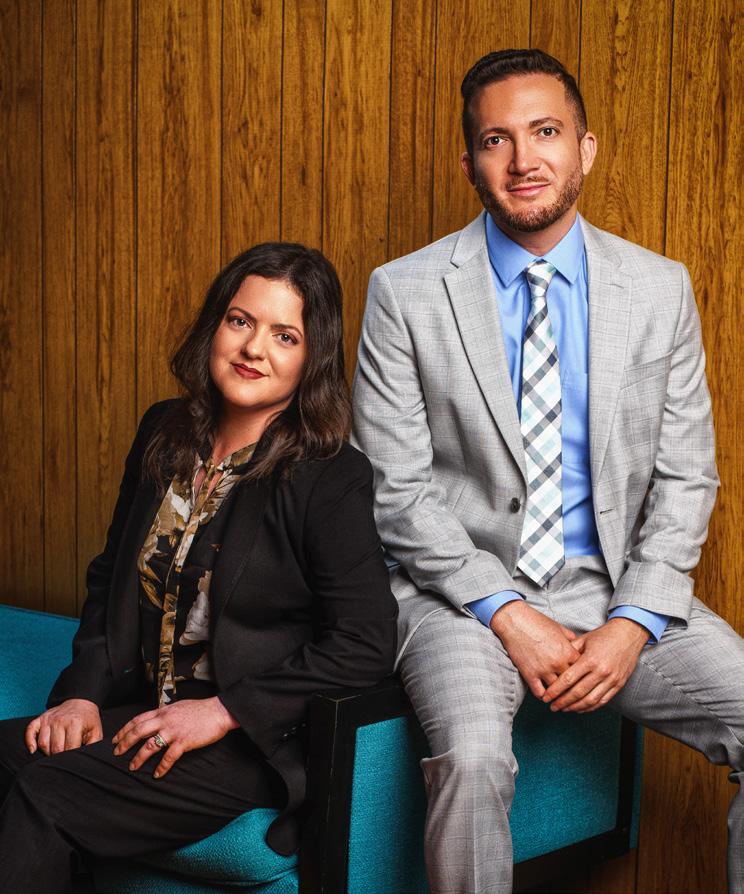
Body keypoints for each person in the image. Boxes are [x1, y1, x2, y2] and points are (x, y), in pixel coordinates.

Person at [352, 48, 744, 894]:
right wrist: (506, 611)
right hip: (457, 594)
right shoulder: (403, 293)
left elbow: (687, 479)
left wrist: (633, 621)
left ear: (585, 149)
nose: (523, 159)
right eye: (497, 139)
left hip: (612, 587)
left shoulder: (660, 289)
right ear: (469, 163)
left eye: (545, 132)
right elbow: (395, 490)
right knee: (473, 758)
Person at [0, 242, 398, 893]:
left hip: (248, 743)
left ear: (312, 358)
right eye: (240, 321)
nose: (254, 348)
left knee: (48, 793)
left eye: (285, 335)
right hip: (144, 709)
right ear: (216, 324)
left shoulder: (330, 477)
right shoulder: (164, 430)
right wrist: (82, 694)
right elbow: (110, 576)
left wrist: (223, 711)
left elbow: (366, 641)